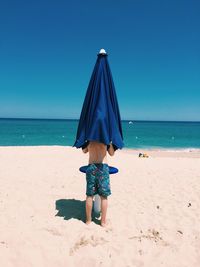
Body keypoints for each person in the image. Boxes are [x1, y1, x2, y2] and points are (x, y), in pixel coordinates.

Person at [82, 141, 115, 227]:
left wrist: (87, 142)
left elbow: (84, 151)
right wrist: (110, 143)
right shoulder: (106, 139)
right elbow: (112, 153)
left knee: (90, 195)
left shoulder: (89, 138)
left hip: (91, 166)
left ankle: (88, 220)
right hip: (103, 167)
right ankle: (103, 222)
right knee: (104, 196)